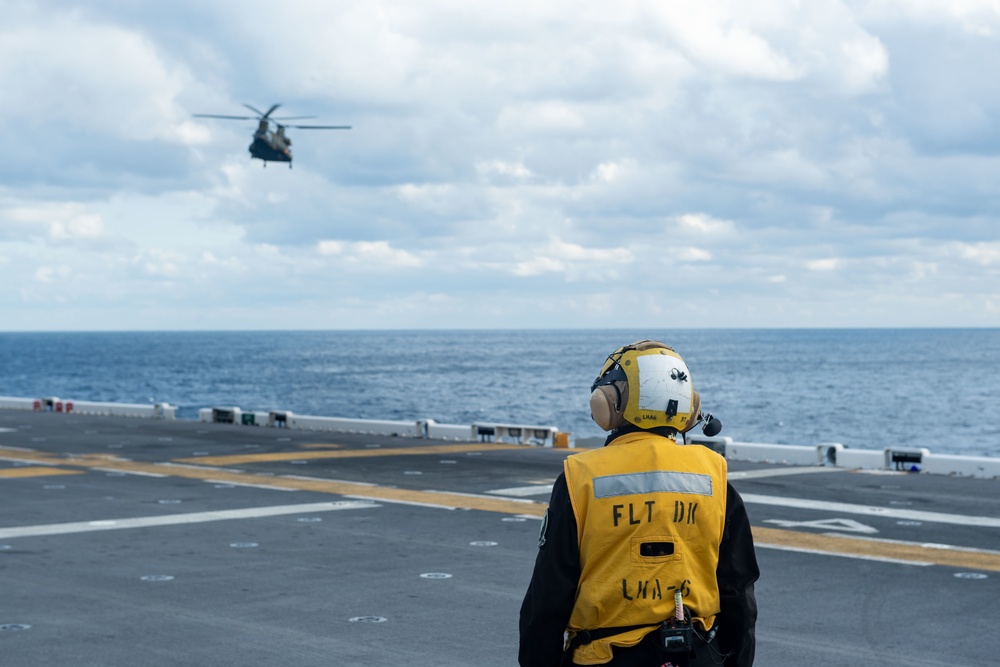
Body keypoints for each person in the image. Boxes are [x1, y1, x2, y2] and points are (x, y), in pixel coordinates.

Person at [519, 340, 758, 667]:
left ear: (611, 402)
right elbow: (739, 597)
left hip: (604, 657)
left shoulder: (581, 477)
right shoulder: (713, 475)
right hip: (697, 654)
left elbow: (548, 600)